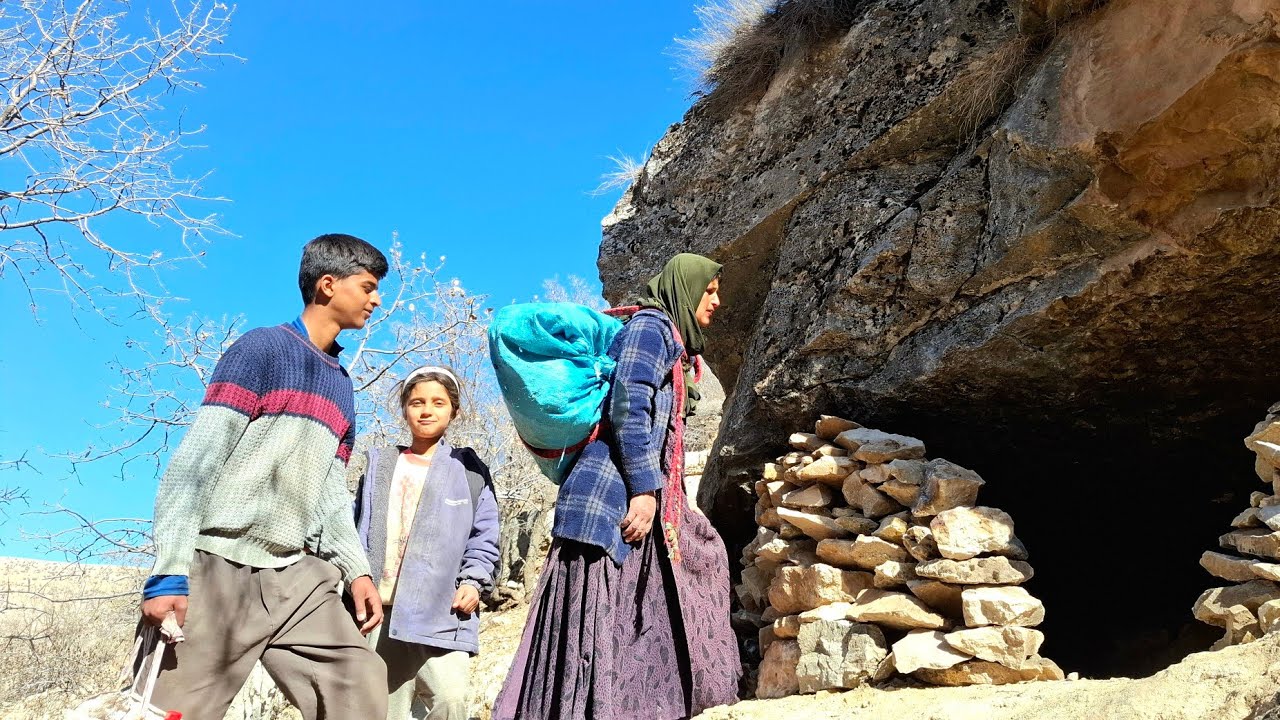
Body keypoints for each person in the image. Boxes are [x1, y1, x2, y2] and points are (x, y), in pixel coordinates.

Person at [138, 233, 391, 720]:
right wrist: (169, 568)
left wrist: (356, 567)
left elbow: (330, 493)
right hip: (219, 564)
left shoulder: (343, 387)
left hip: (296, 576)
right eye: (367, 287)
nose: (376, 299)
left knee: (360, 681)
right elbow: (197, 461)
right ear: (327, 285)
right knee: (166, 712)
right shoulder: (262, 349)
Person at [494, 253, 741, 720]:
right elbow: (630, 404)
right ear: (684, 289)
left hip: (632, 496)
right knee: (601, 617)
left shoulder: (672, 341)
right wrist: (645, 489)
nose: (717, 301)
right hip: (613, 497)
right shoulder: (652, 327)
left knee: (698, 562)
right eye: (708, 291)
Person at [354, 365, 500, 720]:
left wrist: (473, 581)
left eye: (438, 402)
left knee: (451, 701)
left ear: (454, 410)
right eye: (417, 402)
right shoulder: (381, 465)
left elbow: (485, 535)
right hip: (381, 612)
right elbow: (352, 528)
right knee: (383, 712)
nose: (426, 410)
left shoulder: (469, 471)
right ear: (405, 409)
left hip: (444, 611)